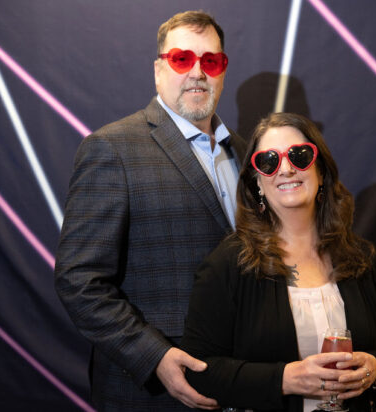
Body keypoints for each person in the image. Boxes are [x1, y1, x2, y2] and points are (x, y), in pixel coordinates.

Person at [54, 10, 247, 411]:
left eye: (210, 61)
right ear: (159, 70)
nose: (197, 72)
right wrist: (153, 356)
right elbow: (79, 280)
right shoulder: (112, 148)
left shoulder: (246, 153)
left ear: (223, 70)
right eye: (182, 59)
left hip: (242, 381)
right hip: (151, 393)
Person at [182, 112, 376, 412]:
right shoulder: (227, 265)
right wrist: (284, 380)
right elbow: (200, 371)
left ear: (321, 171)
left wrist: (374, 368)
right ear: (257, 183)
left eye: (299, 156)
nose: (286, 169)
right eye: (269, 161)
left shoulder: (361, 259)